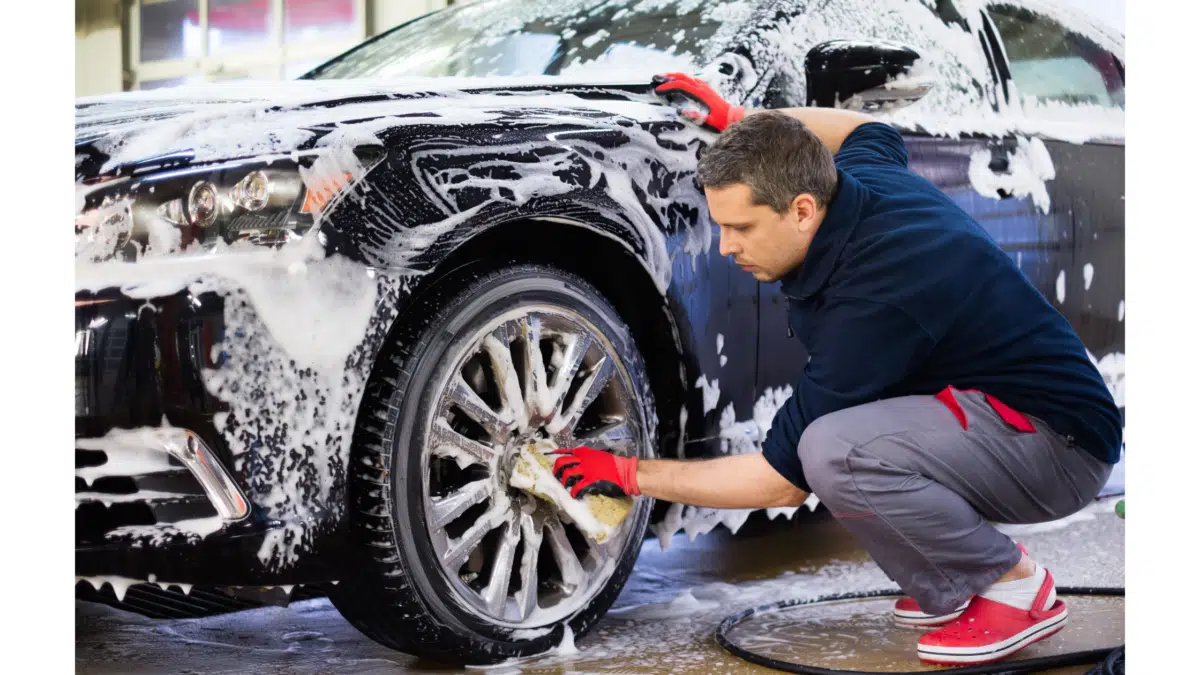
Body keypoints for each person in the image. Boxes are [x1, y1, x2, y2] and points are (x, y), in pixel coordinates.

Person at [549, 72, 1121, 666]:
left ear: (801, 209)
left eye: (741, 227)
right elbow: (868, 128)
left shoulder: (876, 299)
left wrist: (628, 473)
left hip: (1060, 448)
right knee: (841, 440)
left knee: (832, 450)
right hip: (1002, 414)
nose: (725, 246)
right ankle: (950, 584)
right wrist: (742, 119)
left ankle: (1015, 586)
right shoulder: (855, 182)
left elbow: (781, 480)